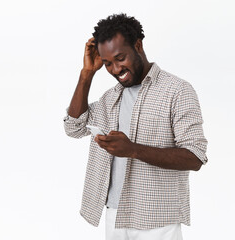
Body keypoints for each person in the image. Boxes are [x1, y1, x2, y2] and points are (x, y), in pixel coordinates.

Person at [63, 13, 208, 240]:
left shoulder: (177, 91)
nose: (114, 69)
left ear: (138, 45)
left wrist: (132, 149)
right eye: (108, 63)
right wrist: (87, 74)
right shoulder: (110, 98)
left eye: (120, 58)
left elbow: (194, 157)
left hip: (157, 218)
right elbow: (74, 128)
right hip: (114, 215)